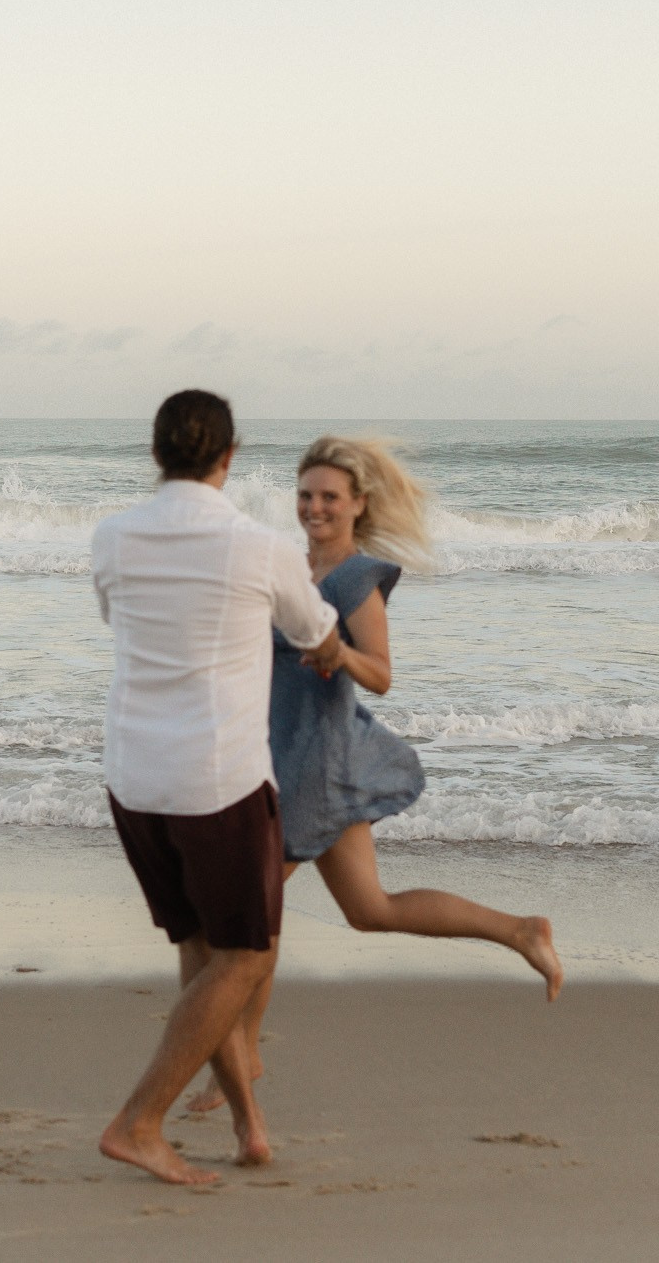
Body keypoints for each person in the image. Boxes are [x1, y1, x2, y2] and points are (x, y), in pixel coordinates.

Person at [186, 434, 562, 1115]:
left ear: (357, 503)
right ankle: (521, 930)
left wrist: (337, 651)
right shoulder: (287, 566)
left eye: (329, 496)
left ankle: (240, 1055)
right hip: (288, 753)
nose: (314, 507)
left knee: (253, 916)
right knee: (370, 909)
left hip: (315, 766)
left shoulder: (355, 581)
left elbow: (382, 675)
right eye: (306, 495)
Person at [90, 390, 343, 1187]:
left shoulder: (114, 537)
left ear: (156, 451)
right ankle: (139, 1121)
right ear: (230, 457)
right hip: (218, 783)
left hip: (134, 777)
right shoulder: (259, 546)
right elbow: (317, 633)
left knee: (201, 951)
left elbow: (116, 616)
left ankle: (248, 1125)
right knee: (243, 957)